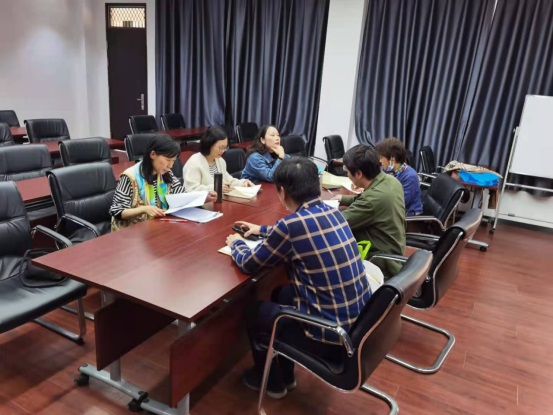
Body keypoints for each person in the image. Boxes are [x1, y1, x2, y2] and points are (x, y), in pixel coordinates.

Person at [226, 157, 371, 399]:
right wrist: (261, 230)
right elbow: (301, 231)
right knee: (280, 293)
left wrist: (237, 244)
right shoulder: (333, 213)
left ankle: (271, 383)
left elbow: (250, 263)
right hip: (355, 327)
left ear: (282, 192)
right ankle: (286, 375)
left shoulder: (291, 226)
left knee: (254, 311)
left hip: (330, 338)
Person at [110, 134, 215, 230]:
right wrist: (144, 209)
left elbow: (181, 196)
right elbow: (117, 211)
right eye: (168, 160)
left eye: (173, 161)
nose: (171, 166)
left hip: (158, 227)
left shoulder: (166, 173)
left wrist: (202, 198)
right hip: (133, 233)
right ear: (153, 154)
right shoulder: (130, 177)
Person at [332, 144, 406, 277]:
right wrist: (342, 198)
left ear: (359, 174)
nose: (347, 175)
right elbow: (367, 200)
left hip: (380, 264)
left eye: (347, 171)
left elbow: (336, 223)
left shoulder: (371, 200)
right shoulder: (391, 181)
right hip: (394, 251)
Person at [182, 126, 255, 192]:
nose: (223, 151)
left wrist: (243, 183)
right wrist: (214, 188)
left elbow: (228, 181)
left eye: (225, 147)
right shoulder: (194, 163)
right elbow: (191, 190)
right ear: (209, 144)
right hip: (201, 202)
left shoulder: (220, 161)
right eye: (220, 148)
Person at [375, 137, 423, 216]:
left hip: (409, 215)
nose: (380, 161)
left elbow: (400, 203)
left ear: (392, 159)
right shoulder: (388, 170)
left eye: (381, 158)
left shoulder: (410, 176)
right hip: (394, 210)